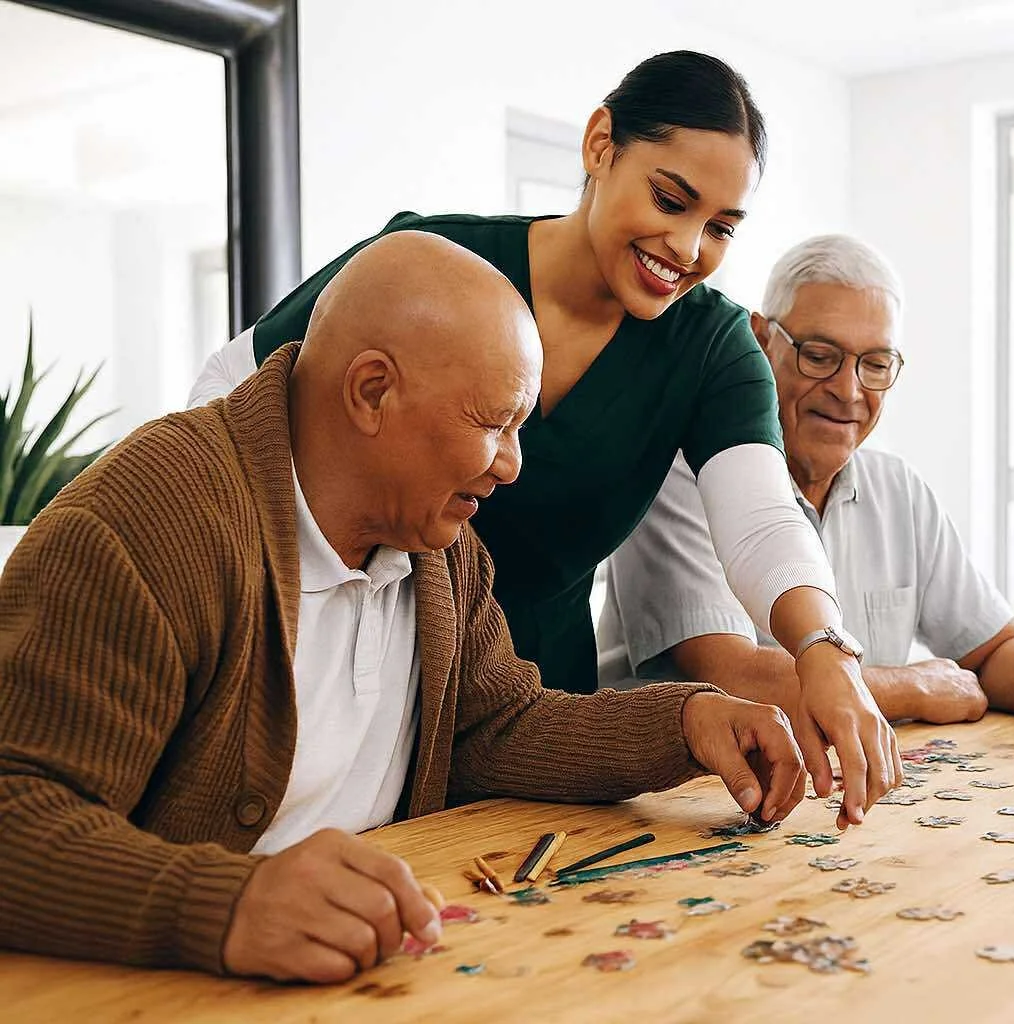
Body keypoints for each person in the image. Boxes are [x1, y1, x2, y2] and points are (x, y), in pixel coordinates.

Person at [0, 232, 808, 983]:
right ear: (373, 391)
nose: (512, 467)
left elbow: (493, 728)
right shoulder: (148, 521)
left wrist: (684, 723)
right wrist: (228, 902)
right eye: (495, 423)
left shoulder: (440, 543)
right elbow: (15, 816)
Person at [189, 51, 895, 827]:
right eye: (671, 199)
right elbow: (232, 389)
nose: (689, 249)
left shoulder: (712, 348)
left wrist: (825, 651)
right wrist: (257, 585)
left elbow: (762, 520)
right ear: (601, 145)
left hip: (529, 707)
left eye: (721, 227)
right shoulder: (437, 268)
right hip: (352, 672)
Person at [600, 234, 1014, 751]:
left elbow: (995, 645)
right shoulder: (675, 475)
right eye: (820, 355)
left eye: (876, 364)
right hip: (667, 803)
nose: (847, 389)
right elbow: (734, 677)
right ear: (761, 340)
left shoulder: (898, 489)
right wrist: (914, 687)